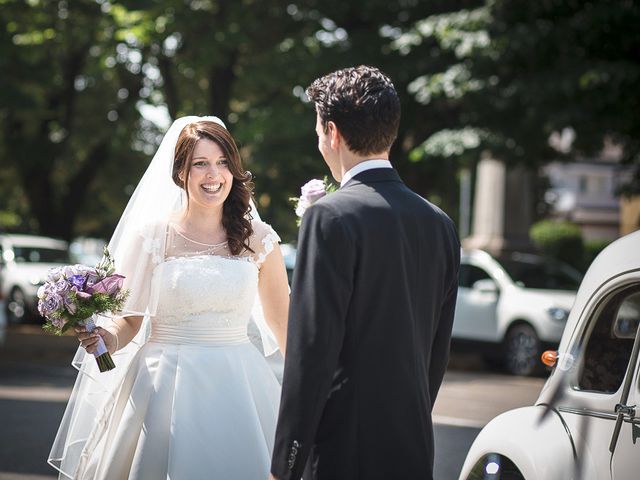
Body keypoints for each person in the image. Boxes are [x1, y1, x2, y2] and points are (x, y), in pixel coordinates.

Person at [49, 116, 290, 479]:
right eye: (201, 164)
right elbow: (129, 318)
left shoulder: (259, 238)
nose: (214, 174)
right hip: (163, 385)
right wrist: (108, 338)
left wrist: (312, 387)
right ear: (180, 172)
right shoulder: (151, 237)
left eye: (223, 162)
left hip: (240, 384)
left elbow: (281, 320)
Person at [269, 66, 461, 480]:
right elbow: (437, 350)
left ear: (333, 133)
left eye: (318, 130)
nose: (319, 141)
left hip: (345, 449)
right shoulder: (440, 223)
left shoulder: (331, 217)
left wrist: (285, 465)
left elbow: (312, 351)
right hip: (412, 445)